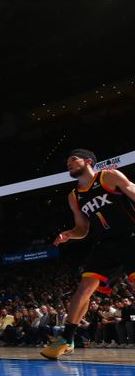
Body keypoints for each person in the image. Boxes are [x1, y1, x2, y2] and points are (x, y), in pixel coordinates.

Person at [42, 149, 135, 360]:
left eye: (73, 159)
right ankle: (67, 339)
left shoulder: (108, 176)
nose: (69, 163)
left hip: (130, 236)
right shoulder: (74, 196)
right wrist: (69, 235)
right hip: (105, 244)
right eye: (67, 161)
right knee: (84, 287)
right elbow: (82, 229)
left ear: (89, 161)